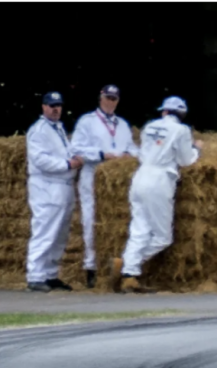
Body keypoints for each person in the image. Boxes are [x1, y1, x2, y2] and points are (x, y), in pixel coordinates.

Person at [112, 96, 203, 293]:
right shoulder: (181, 130)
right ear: (181, 115)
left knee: (139, 230)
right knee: (163, 237)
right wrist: (197, 150)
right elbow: (186, 160)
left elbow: (143, 152)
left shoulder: (149, 126)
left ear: (164, 112)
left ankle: (129, 275)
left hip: (140, 177)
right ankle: (127, 266)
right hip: (160, 180)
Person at [70, 84, 139, 288]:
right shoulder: (87, 121)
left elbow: (132, 147)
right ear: (101, 98)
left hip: (116, 179)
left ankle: (117, 265)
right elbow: (76, 148)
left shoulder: (123, 124)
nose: (110, 102)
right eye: (108, 98)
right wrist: (100, 154)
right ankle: (90, 267)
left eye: (114, 99)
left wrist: (130, 155)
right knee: (90, 220)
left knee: (119, 220)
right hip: (94, 174)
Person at [25, 91, 82, 292]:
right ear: (43, 107)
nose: (55, 109)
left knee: (60, 233)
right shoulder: (38, 130)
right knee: (45, 230)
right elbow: (40, 159)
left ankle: (50, 274)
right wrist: (67, 164)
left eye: (58, 105)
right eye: (51, 105)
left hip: (63, 185)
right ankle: (35, 275)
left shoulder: (58, 128)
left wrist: (74, 158)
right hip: (47, 185)